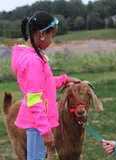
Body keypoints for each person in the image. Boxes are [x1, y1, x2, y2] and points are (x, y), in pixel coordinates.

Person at [11, 11, 81, 160]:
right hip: (38, 123)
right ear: (42, 33)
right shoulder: (33, 61)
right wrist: (45, 130)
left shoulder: (33, 56)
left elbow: (44, 83)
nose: (51, 41)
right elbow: (34, 98)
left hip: (37, 121)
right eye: (52, 36)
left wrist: (64, 80)